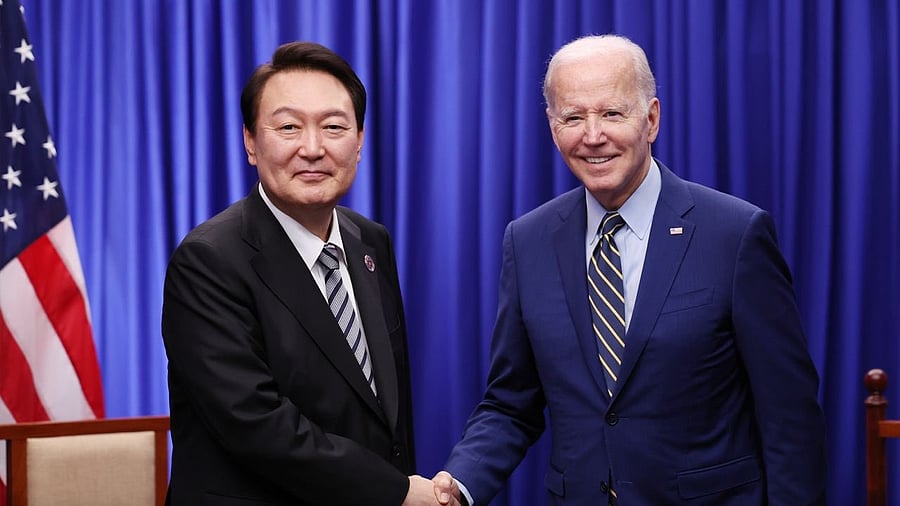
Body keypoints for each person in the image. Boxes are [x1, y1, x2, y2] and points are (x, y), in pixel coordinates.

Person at [432, 34, 827, 505]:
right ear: (552, 126)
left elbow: (789, 416)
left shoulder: (735, 234)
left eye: (612, 114)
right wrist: (458, 485)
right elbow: (511, 404)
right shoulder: (528, 240)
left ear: (652, 119)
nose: (593, 136)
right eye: (573, 117)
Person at [161, 41, 445, 505]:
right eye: (289, 127)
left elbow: (384, 411)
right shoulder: (208, 260)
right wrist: (396, 491)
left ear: (359, 141)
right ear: (251, 142)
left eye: (334, 126)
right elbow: (254, 423)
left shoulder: (369, 240)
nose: (312, 149)